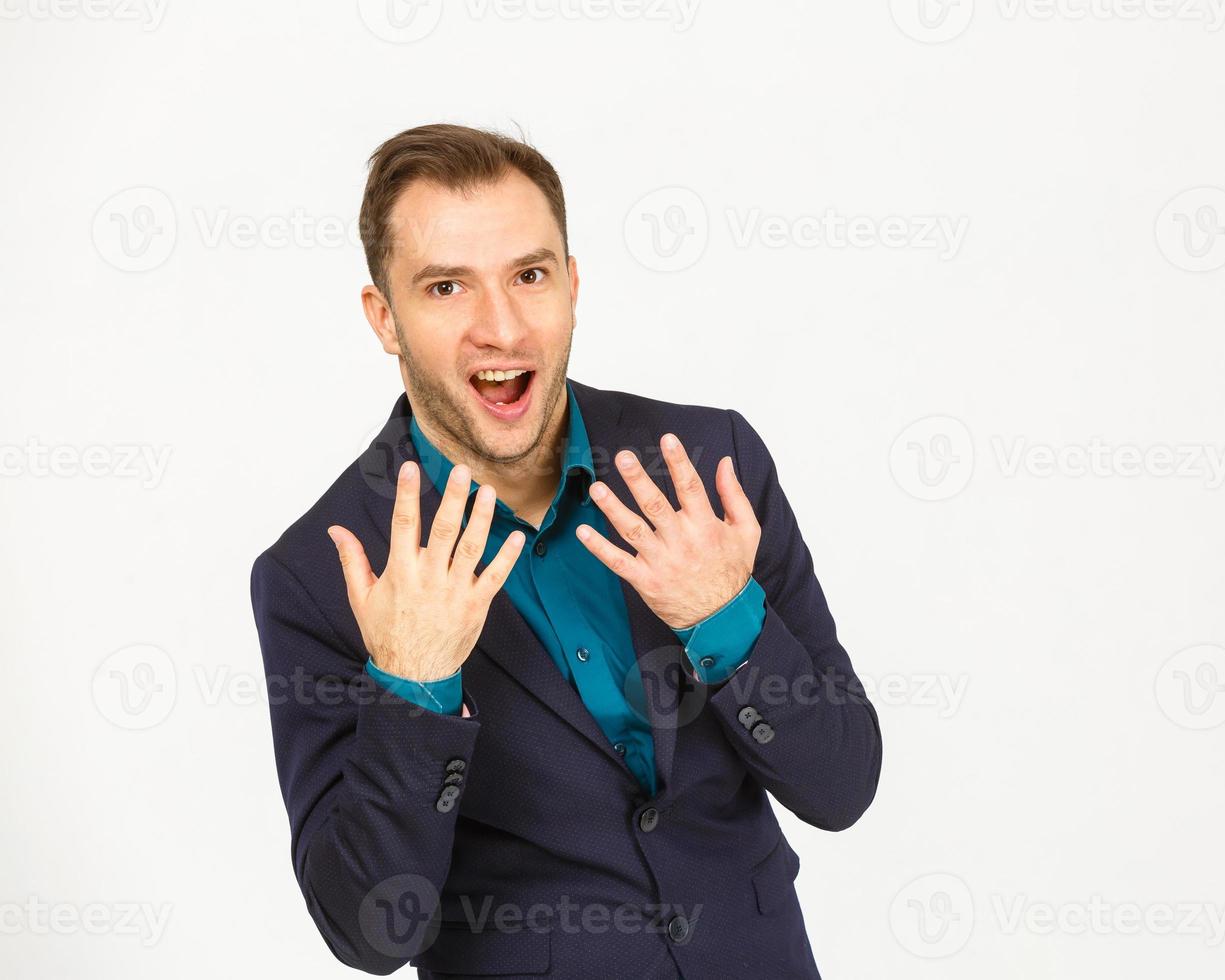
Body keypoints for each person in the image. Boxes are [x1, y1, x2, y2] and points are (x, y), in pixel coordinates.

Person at [248, 122, 882, 979]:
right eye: (445, 288)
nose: (501, 328)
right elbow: (370, 935)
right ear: (384, 319)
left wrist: (728, 623)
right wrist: (414, 690)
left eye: (530, 275)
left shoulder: (706, 464)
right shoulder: (323, 571)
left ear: (573, 286)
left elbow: (841, 787)